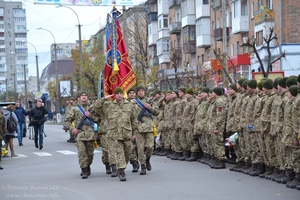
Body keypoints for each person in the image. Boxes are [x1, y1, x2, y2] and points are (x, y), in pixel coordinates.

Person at [93, 87, 138, 181]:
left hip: (126, 133)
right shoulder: (109, 105)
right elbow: (96, 107)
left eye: (120, 93)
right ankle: (121, 171)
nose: (119, 95)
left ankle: (122, 165)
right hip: (114, 134)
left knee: (128, 152)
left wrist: (135, 133)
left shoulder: (129, 105)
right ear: (115, 95)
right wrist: (104, 98)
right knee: (119, 152)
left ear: (123, 94)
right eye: (117, 94)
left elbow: (133, 120)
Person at [64, 91, 97, 179]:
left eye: (85, 95)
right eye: (82, 95)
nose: (84, 97)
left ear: (87, 98)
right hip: (80, 135)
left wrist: (91, 116)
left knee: (90, 154)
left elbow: (98, 119)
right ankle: (84, 169)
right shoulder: (75, 109)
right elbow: (67, 121)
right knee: (82, 153)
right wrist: (72, 129)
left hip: (90, 135)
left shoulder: (92, 108)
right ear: (79, 98)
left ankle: (87, 165)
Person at [131, 86, 159, 175]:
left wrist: (150, 108)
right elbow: (129, 115)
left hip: (149, 128)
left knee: (150, 147)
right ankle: (143, 166)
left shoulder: (150, 101)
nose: (141, 92)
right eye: (139, 91)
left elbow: (157, 112)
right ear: (137, 92)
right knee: (140, 149)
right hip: (138, 129)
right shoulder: (133, 102)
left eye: (142, 91)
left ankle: (147, 159)